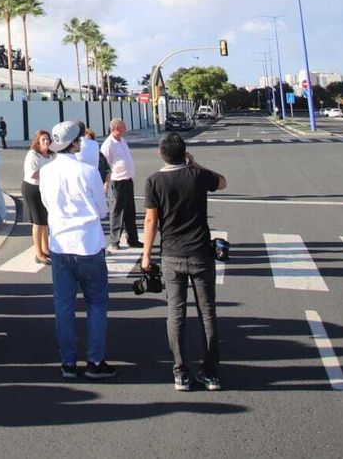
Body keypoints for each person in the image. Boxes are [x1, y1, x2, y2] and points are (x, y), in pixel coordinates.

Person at [141, 131, 227, 391]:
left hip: (172, 255)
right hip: (200, 253)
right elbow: (222, 182)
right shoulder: (198, 176)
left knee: (175, 314)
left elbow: (150, 221)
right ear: (185, 153)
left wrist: (146, 255)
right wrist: (195, 164)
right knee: (208, 313)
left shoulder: (154, 181)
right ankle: (210, 372)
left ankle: (181, 371)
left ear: (161, 154)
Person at [41, 120, 114, 380]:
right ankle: (95, 361)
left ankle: (68, 363)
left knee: (64, 306)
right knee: (96, 303)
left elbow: (47, 204)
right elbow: (103, 209)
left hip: (60, 244)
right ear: (74, 143)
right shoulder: (88, 171)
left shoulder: (47, 172)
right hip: (89, 244)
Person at [101, 119, 140, 248]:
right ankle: (115, 240)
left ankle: (132, 239)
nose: (126, 128)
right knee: (117, 211)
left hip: (128, 179)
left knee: (130, 211)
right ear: (117, 128)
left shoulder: (122, 140)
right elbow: (104, 164)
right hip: (117, 181)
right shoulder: (108, 144)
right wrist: (106, 181)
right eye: (123, 126)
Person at [23, 130, 54, 265]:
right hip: (33, 189)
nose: (46, 141)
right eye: (43, 140)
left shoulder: (52, 155)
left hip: (46, 189)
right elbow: (32, 174)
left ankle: (46, 248)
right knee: (38, 221)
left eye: (47, 139)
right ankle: (38, 253)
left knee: (45, 221)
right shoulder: (33, 155)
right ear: (38, 142)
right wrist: (49, 174)